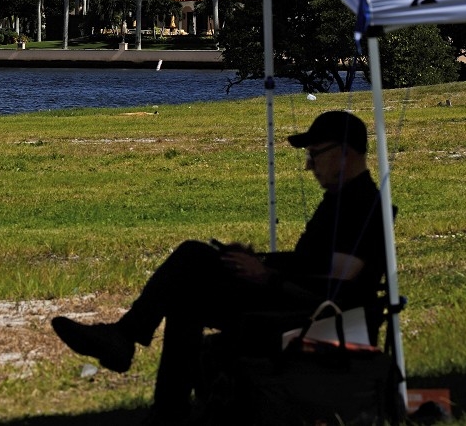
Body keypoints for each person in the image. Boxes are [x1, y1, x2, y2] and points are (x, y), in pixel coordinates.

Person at [51, 110, 389, 425]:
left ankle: (133, 353)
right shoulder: (341, 200)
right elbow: (315, 263)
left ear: (344, 153)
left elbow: (339, 279)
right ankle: (162, 397)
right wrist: (260, 261)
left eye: (314, 154)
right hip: (295, 298)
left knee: (192, 259)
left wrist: (267, 274)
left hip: (318, 314)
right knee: (189, 288)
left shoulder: (362, 205)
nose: (308, 165)